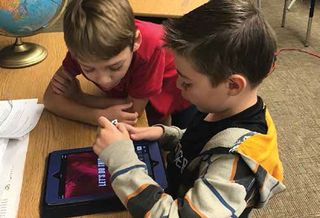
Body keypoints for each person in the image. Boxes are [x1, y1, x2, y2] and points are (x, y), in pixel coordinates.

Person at [93, 0, 286, 217]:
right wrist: (165, 134)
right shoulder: (221, 106)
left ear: (232, 85)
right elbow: (203, 141)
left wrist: (121, 160)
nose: (177, 85)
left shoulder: (238, 164)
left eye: (187, 82)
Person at [43, 0, 194, 128]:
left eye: (115, 67)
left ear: (136, 42)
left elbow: (133, 110)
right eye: (88, 69)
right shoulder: (84, 47)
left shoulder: (151, 48)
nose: (103, 80)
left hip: (175, 91)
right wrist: (98, 116)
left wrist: (81, 98)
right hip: (133, 90)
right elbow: (50, 100)